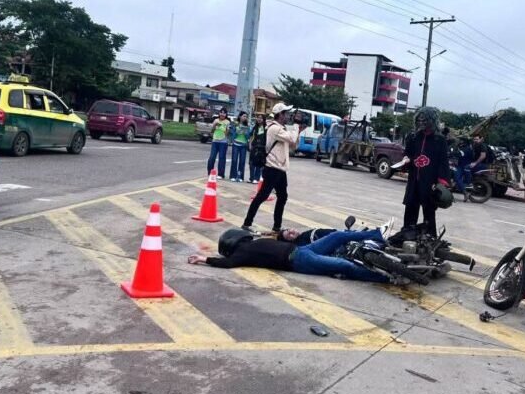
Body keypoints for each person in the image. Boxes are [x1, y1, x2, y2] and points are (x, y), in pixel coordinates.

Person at [188, 227, 390, 283]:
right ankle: (385, 277)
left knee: (338, 236)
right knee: (343, 265)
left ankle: (377, 234)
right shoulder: (242, 253)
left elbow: (276, 235)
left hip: (301, 250)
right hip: (298, 261)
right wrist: (204, 259)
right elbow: (228, 263)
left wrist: (285, 233)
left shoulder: (254, 241)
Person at [242, 103, 304, 234]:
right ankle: (247, 223)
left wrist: (297, 131)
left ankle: (277, 226)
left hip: (280, 169)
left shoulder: (282, 128)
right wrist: (296, 125)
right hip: (272, 168)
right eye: (286, 113)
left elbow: (294, 145)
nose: (288, 115)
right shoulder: (274, 128)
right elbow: (291, 138)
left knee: (282, 196)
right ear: (280, 115)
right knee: (262, 196)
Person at [400, 107, 450, 235]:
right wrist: (406, 159)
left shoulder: (440, 140)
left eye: (424, 120)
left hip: (429, 183)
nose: (421, 123)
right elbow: (408, 154)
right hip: (413, 182)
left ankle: (429, 238)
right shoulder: (413, 137)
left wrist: (441, 183)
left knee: (428, 212)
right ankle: (407, 236)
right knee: (410, 208)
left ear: (431, 121)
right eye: (419, 120)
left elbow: (443, 162)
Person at [205, 107, 230, 176]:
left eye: (224, 113)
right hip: (215, 141)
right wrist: (214, 125)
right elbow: (212, 131)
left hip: (223, 142)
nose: (222, 114)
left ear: (226, 114)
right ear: (219, 113)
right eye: (221, 112)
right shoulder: (216, 120)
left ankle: (221, 174)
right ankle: (210, 172)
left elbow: (227, 134)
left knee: (222, 158)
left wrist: (224, 128)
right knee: (212, 157)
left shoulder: (227, 122)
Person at [228, 111, 251, 182]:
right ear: (240, 116)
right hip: (235, 144)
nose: (245, 118)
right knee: (234, 160)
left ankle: (240, 176)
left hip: (243, 145)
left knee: (242, 161)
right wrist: (236, 132)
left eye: (246, 117)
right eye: (244, 116)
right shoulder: (235, 124)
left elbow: (248, 136)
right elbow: (231, 133)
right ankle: (233, 176)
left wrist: (246, 133)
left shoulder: (247, 126)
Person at [248, 113, 267, 184]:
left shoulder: (266, 128)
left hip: (262, 147)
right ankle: (251, 178)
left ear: (264, 120)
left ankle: (256, 178)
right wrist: (250, 145)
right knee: (251, 163)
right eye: (258, 118)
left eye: (261, 118)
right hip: (254, 146)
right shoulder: (255, 127)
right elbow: (250, 136)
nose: (259, 119)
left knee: (259, 163)